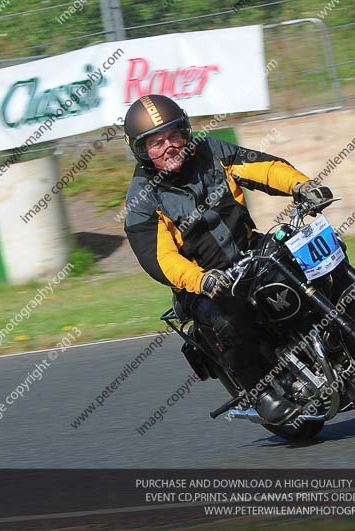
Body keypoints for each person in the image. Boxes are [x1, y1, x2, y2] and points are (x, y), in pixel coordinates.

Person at [122, 95, 332, 424]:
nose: (169, 146)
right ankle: (259, 392)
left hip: (250, 249)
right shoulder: (141, 202)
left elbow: (264, 167)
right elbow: (161, 259)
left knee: (311, 255)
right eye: (156, 142)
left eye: (175, 135)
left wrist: (301, 185)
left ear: (186, 131)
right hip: (203, 281)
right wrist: (201, 280)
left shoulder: (211, 152)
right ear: (140, 151)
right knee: (230, 318)